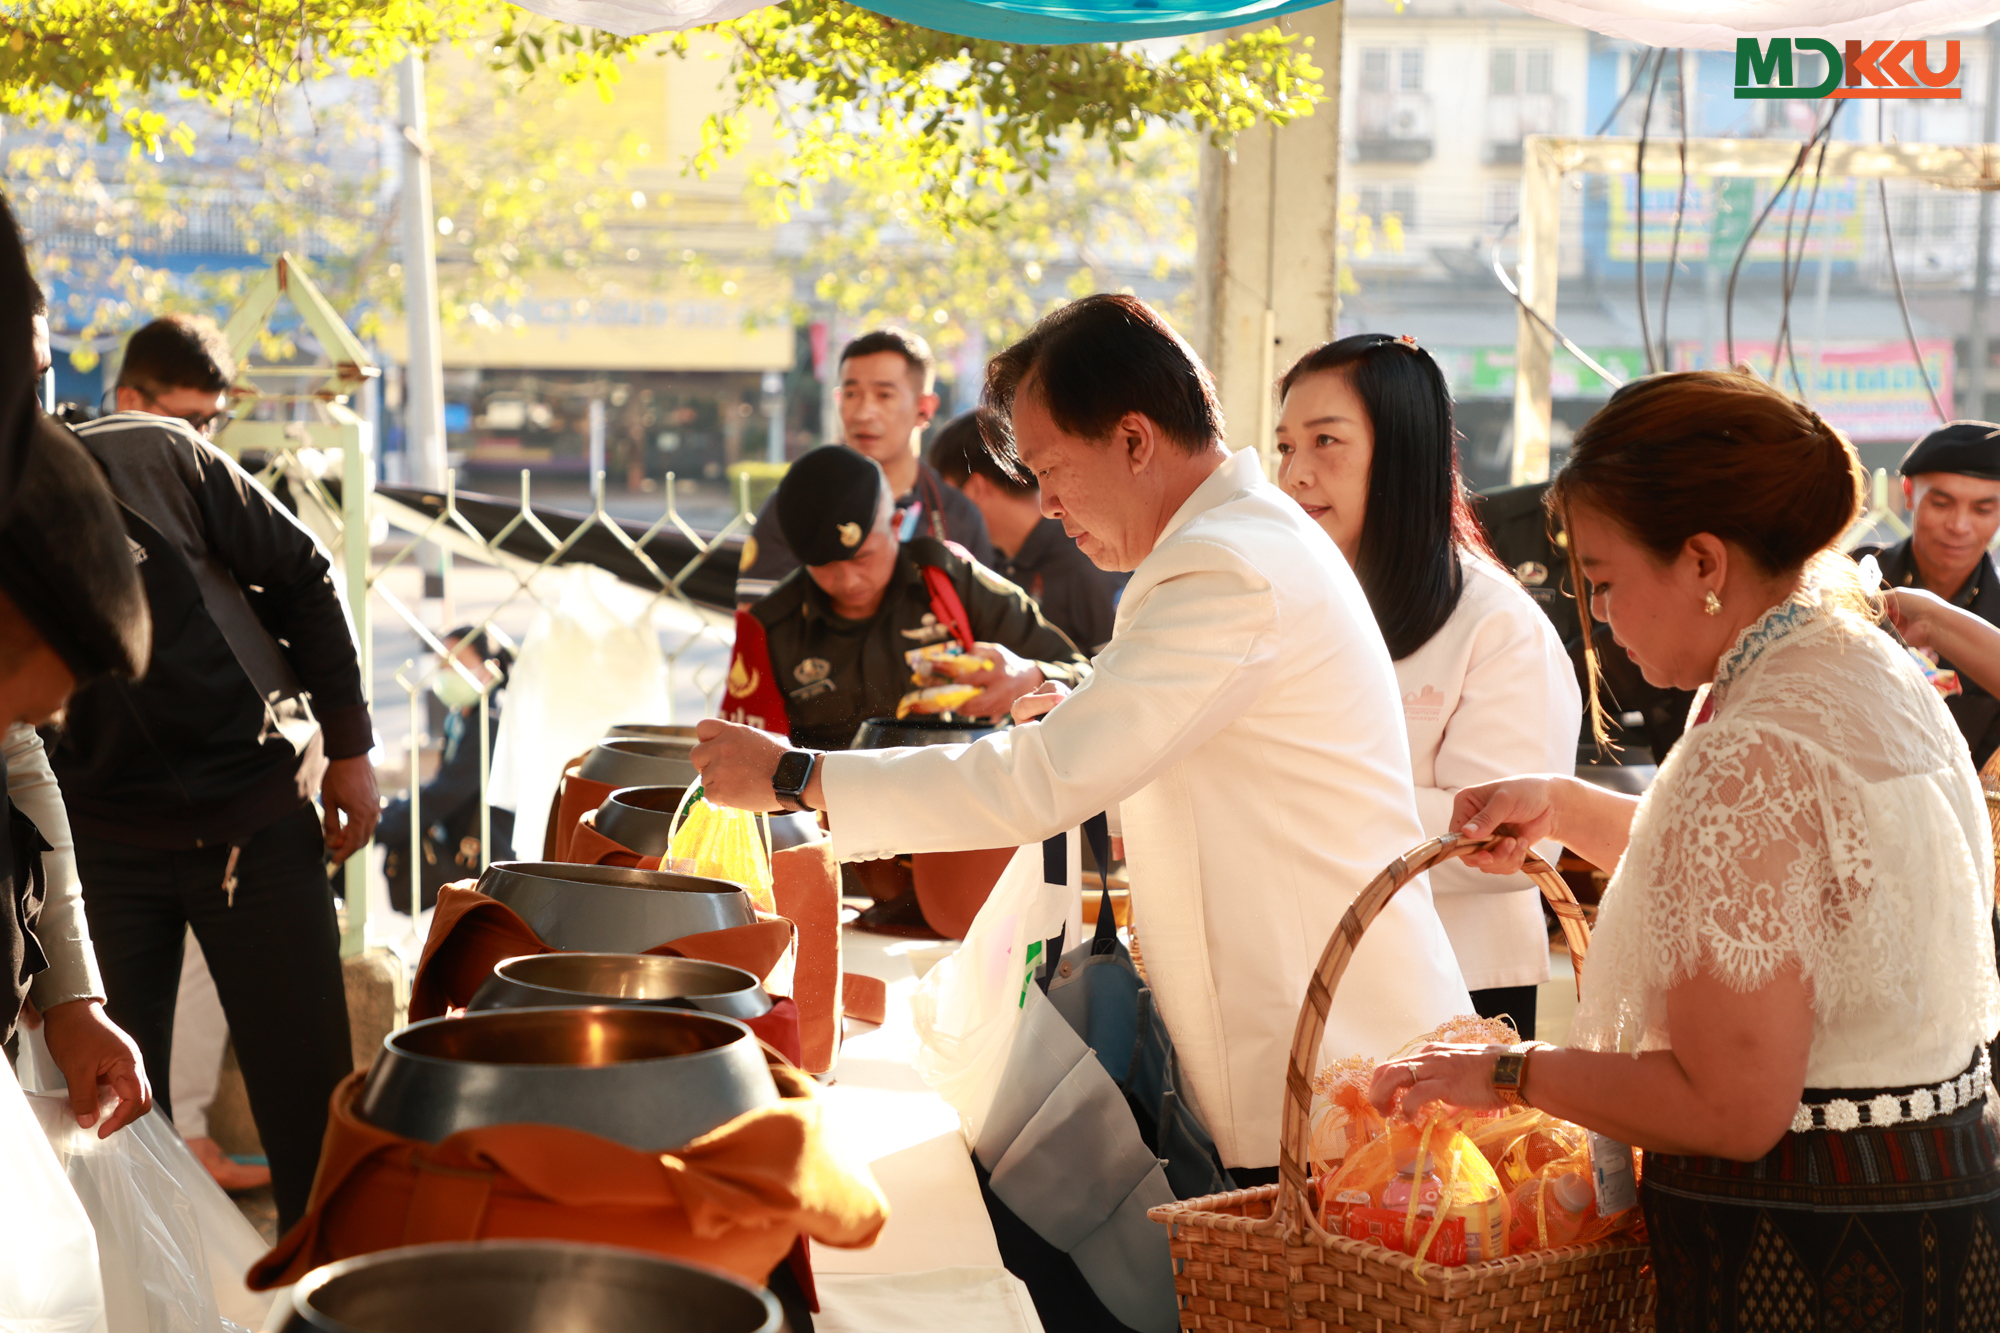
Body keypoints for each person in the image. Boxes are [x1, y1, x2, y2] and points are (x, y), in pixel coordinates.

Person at [695, 294, 1471, 1178]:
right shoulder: (1233, 542)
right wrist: (1078, 707)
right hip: (1306, 1048)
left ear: (1135, 440)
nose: (1047, 502)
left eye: (1051, 468)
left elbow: (1045, 778)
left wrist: (798, 776)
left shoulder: (1229, 566)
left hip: (1326, 1062)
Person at [1369, 370, 2000, 1328]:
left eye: (1604, 580)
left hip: (1810, 1247)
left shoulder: (1759, 736)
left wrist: (1503, 1073)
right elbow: (1761, 884)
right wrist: (1562, 807)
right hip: (1931, 1196)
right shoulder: (1853, 662)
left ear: (1704, 561)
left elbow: (1728, 1105)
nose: (1600, 615)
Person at [51, 313, 375, 1232]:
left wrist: (351, 750)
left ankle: (328, 1284)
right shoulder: (17, 501)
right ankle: (144, 1290)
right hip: (104, 842)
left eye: (212, 420)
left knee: (310, 1104)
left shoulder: (160, 454)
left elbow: (306, 576)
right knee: (111, 1124)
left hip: (254, 818)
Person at [1273, 334, 1579, 1039]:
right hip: (1312, 970)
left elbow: (1511, 845)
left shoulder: (1496, 624)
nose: (1295, 474)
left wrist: (1291, 799)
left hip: (1455, 985)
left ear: (1403, 454)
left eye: (1326, 441)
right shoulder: (1297, 606)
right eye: (1286, 446)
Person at [720, 443, 1089, 752]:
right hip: (831, 810)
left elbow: (1086, 678)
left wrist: (1031, 676)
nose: (848, 580)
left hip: (960, 800)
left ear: (896, 526)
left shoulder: (952, 582)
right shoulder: (769, 629)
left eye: (863, 557)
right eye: (825, 566)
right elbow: (749, 762)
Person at [735, 329, 992, 604]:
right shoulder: (797, 505)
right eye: (851, 393)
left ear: (924, 408)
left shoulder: (958, 516)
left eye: (884, 395)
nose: (863, 413)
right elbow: (756, 616)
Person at [1852, 420, 2000, 767]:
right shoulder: (1852, 576)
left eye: (1982, 509)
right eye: (1941, 503)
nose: (1959, 526)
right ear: (1908, 492)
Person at [930, 411, 1124, 654]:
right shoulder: (988, 564)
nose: (940, 512)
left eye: (945, 498)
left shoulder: (1089, 555)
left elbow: (1125, 669)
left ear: (976, 489)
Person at [379, 625, 517, 915]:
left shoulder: (490, 724)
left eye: (455, 662)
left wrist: (385, 823)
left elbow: (447, 792)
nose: (445, 672)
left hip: (492, 861)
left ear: (488, 670)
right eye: (441, 663)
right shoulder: (459, 718)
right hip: (467, 855)